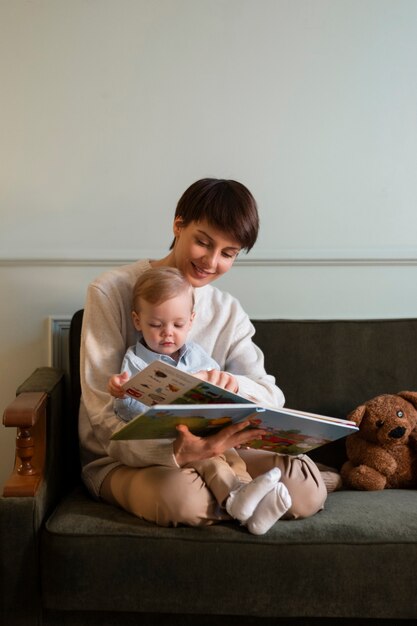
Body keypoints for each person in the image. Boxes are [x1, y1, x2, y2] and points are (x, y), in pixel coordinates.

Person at [79, 177, 330, 531]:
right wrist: (176, 453)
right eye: (203, 242)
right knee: (184, 498)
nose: (211, 262)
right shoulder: (110, 292)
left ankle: (240, 496)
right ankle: (241, 498)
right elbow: (102, 418)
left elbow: (270, 393)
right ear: (178, 226)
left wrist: (231, 384)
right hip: (127, 460)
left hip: (224, 451)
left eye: (228, 254)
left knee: (303, 490)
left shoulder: (228, 311)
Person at [108, 265, 292, 534]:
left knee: (231, 457)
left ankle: (248, 501)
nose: (167, 333)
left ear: (191, 321)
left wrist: (226, 388)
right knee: (210, 460)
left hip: (210, 433)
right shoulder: (134, 361)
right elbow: (125, 415)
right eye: (156, 325)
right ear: (137, 321)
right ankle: (236, 498)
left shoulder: (198, 355)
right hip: (176, 441)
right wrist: (122, 394)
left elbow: (218, 392)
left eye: (178, 325)